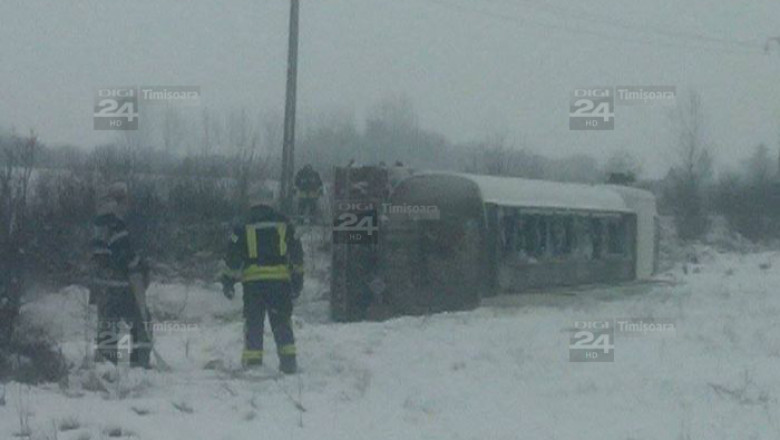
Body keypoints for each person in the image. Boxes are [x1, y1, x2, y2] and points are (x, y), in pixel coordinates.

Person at [221, 198, 304, 374]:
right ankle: (289, 363)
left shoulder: (242, 224)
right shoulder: (283, 221)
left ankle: (253, 364)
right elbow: (296, 252)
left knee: (254, 323)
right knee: (281, 321)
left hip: (254, 284)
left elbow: (233, 256)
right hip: (280, 283)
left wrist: (228, 282)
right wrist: (297, 280)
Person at [89, 182, 152, 368]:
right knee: (142, 318)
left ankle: (105, 363)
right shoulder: (115, 223)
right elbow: (123, 254)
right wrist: (140, 264)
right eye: (126, 201)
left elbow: (98, 252)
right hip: (118, 282)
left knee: (107, 322)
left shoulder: (99, 222)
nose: (127, 206)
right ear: (120, 200)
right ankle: (140, 361)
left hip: (101, 282)